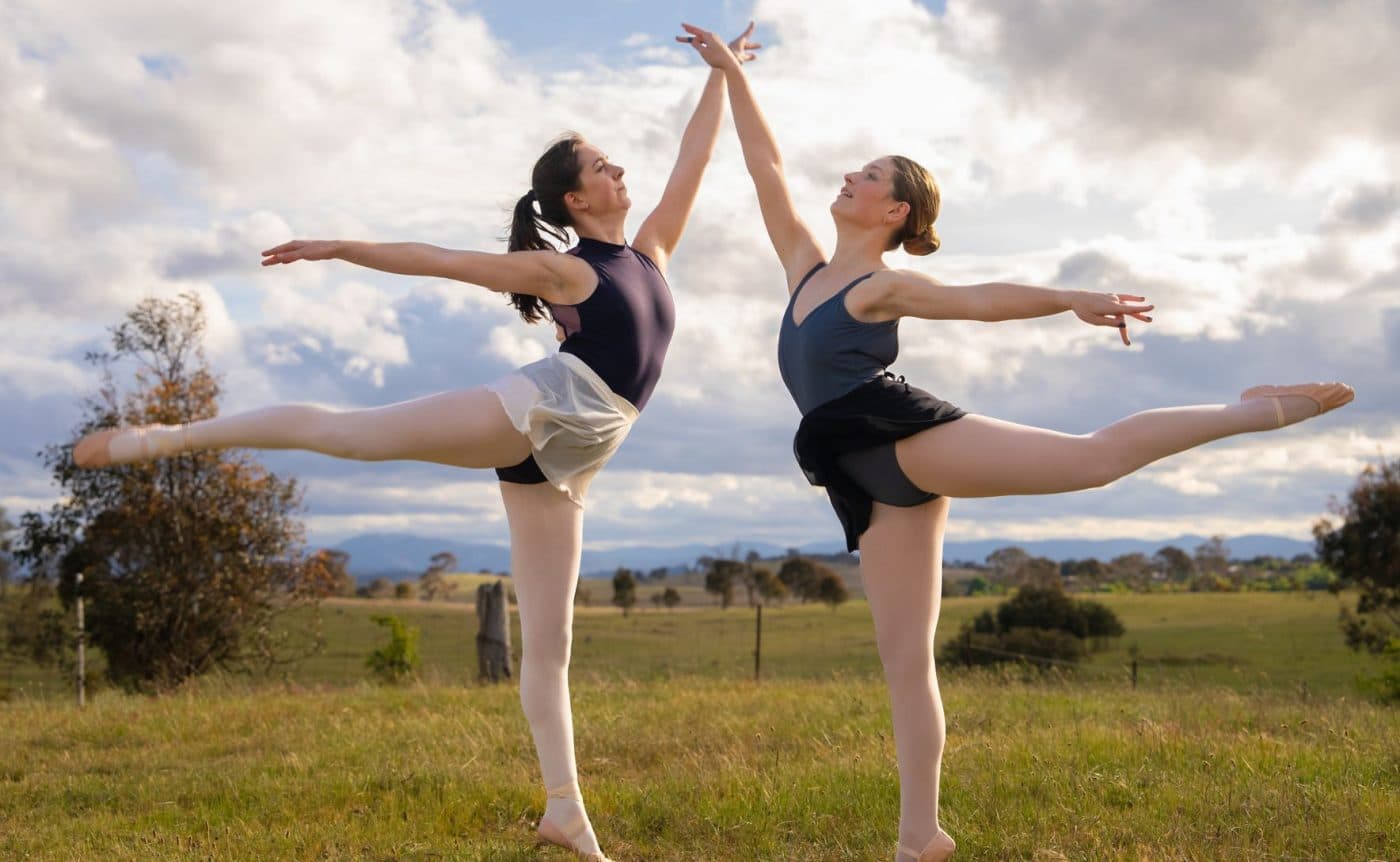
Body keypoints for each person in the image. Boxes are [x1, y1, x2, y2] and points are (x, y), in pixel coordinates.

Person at [72, 24, 762, 862]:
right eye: (603, 165)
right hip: (541, 412)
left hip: (574, 459)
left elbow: (696, 159)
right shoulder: (564, 271)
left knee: (551, 646)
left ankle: (564, 813)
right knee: (349, 435)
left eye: (615, 163)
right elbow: (441, 260)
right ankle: (160, 440)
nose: (620, 170)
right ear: (578, 201)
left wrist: (720, 73)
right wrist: (341, 246)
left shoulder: (652, 249)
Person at [676, 22, 1354, 862]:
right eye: (856, 168)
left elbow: (979, 300)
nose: (849, 175)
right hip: (857, 475)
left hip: (900, 433)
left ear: (895, 211)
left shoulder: (881, 284)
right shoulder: (805, 265)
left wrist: (1070, 295)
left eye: (871, 175)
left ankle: (1256, 410)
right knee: (903, 660)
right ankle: (919, 835)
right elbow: (764, 167)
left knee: (1093, 459)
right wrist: (732, 74)